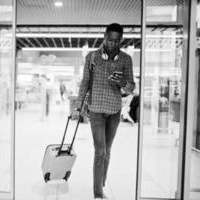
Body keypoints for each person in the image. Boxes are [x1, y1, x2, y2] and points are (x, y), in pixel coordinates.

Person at [72, 23, 135, 200]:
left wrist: (122, 82)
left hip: (114, 111)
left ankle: (102, 181)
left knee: (108, 150)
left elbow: (131, 88)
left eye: (116, 41)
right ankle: (98, 192)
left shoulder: (126, 60)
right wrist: (78, 106)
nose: (113, 44)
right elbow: (85, 82)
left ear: (121, 40)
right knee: (100, 151)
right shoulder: (92, 57)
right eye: (110, 40)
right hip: (96, 111)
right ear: (104, 37)